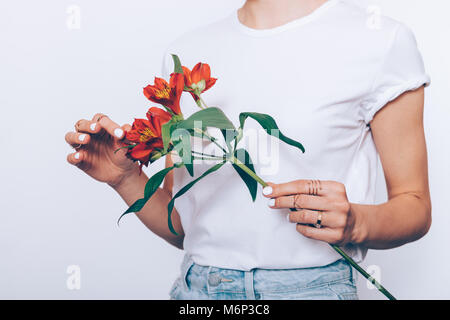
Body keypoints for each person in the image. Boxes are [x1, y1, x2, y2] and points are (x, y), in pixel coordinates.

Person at [64, 0, 431, 300]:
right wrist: (127, 179)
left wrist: (357, 222)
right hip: (198, 293)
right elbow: (185, 228)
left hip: (311, 289)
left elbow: (415, 206)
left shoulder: (380, 41)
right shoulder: (187, 51)